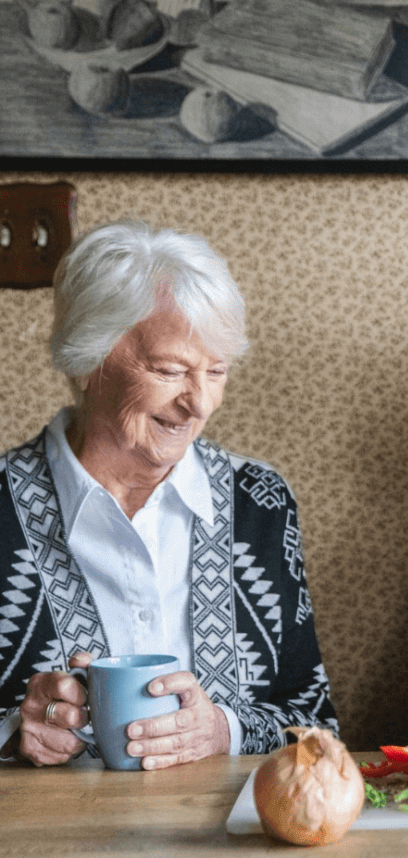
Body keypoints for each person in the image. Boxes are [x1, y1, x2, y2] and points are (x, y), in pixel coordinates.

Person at [0, 220, 337, 768]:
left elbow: (317, 726)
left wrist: (222, 730)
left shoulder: (260, 503)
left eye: (217, 371)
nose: (199, 403)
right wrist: (15, 731)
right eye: (170, 370)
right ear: (88, 361)